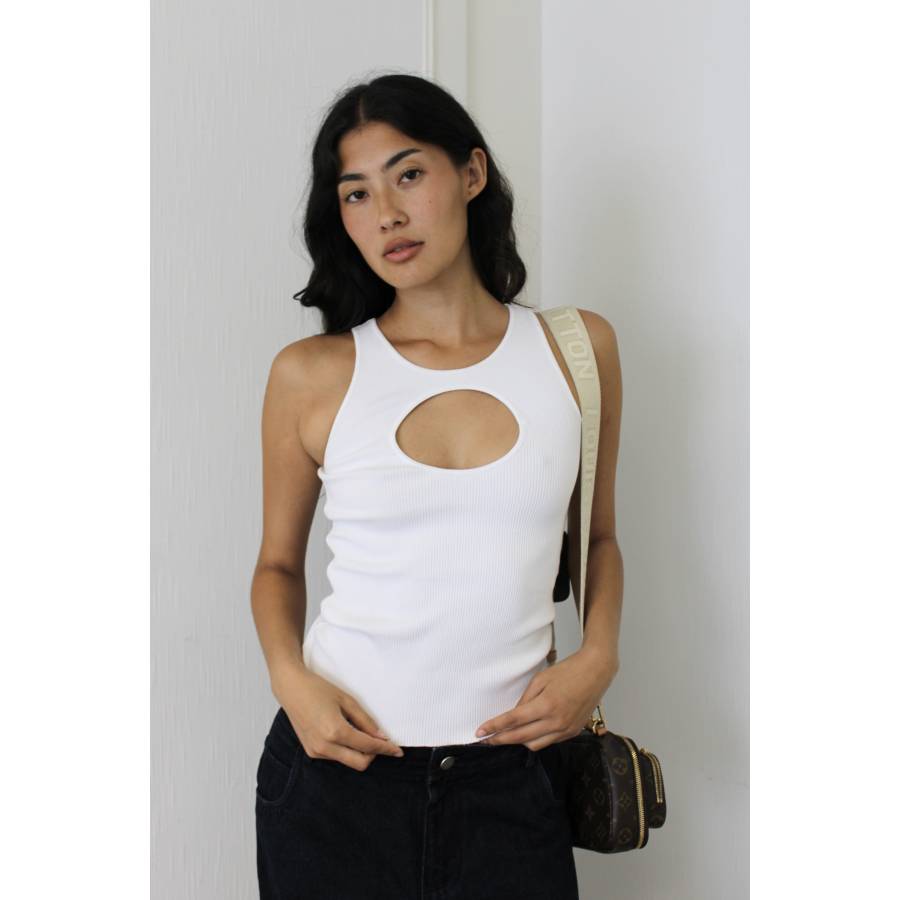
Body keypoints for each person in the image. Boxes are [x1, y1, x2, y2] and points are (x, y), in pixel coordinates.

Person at [250, 73, 623, 900]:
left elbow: (597, 539)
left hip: (511, 782)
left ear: (472, 173)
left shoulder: (576, 352)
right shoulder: (312, 374)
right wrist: (291, 681)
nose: (385, 213)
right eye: (356, 193)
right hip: (337, 777)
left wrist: (598, 656)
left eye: (409, 174)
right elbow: (276, 566)